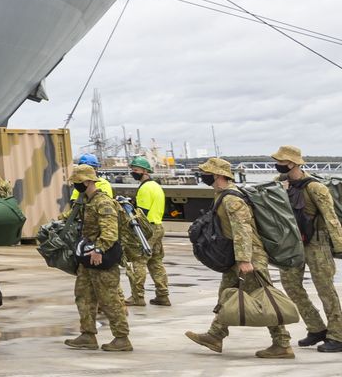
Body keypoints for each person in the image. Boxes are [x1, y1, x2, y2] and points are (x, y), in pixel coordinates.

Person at [186, 156, 295, 358]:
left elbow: (242, 229)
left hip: (249, 257)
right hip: (236, 257)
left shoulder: (232, 199)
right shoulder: (223, 195)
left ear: (218, 175)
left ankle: (283, 344)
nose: (202, 176)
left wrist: (245, 260)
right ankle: (215, 335)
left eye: (206, 173)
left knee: (264, 300)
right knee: (227, 295)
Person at [274, 145, 342, 352]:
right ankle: (316, 328)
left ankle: (338, 335)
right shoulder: (279, 185)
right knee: (291, 285)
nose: (277, 165)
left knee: (325, 289)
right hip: (292, 244)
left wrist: (339, 246)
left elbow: (331, 218)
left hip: (316, 243)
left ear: (293, 163)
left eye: (281, 162)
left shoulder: (315, 187)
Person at [62, 163, 131, 351]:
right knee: (83, 295)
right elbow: (70, 218)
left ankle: (122, 338)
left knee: (109, 299)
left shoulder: (103, 202)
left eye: (77, 182)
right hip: (87, 257)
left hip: (101, 257)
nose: (75, 185)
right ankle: (87, 335)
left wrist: (99, 250)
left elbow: (110, 232)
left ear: (86, 182)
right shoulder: (85, 201)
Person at [124, 155, 170, 306]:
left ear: (145, 171)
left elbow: (141, 213)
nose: (133, 172)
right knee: (156, 262)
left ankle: (138, 296)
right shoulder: (156, 186)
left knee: (139, 261)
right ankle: (163, 295)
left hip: (147, 229)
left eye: (135, 170)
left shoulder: (144, 189)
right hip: (158, 226)